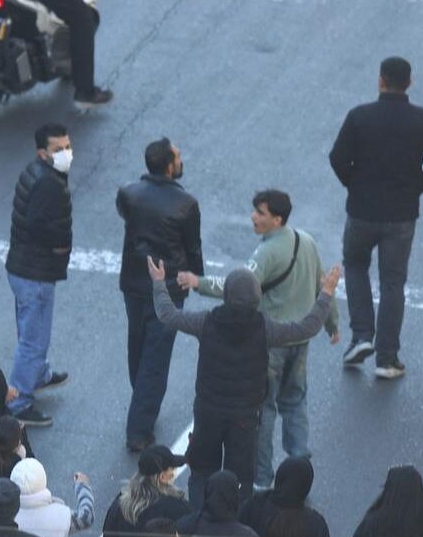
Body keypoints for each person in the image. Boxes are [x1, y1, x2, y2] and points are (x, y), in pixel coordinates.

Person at [180, 190, 340, 482]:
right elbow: (323, 285)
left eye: (261, 213)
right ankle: (299, 468)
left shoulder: (267, 253)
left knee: (264, 412)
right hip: (299, 341)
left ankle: (262, 478)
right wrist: (332, 322)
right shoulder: (306, 241)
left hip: (272, 344)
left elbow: (238, 285)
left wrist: (197, 282)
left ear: (277, 219)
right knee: (295, 403)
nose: (253, 217)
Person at [153, 265, 339, 503]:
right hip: (245, 419)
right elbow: (307, 327)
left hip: (208, 414)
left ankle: (198, 522)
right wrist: (326, 293)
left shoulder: (206, 322)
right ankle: (237, 525)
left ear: (227, 295)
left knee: (201, 473)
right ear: (257, 298)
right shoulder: (266, 329)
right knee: (241, 478)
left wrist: (159, 283)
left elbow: (167, 314)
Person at [329, 56, 423, 374]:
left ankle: (361, 336)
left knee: (355, 267)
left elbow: (338, 158)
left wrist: (354, 185)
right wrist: (416, 188)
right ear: (409, 82)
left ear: (380, 80)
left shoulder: (360, 116)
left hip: (362, 211)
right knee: (393, 282)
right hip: (401, 215)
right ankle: (387, 358)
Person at [118, 139, 203, 451]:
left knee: (138, 345)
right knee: (156, 356)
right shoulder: (186, 204)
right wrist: (197, 278)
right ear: (169, 166)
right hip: (167, 286)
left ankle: (141, 399)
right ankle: (139, 429)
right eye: (178, 156)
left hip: (133, 282)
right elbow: (192, 246)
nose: (181, 160)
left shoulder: (129, 193)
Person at [4, 124, 76, 427]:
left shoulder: (37, 172)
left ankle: (39, 374)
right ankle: (19, 401)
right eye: (58, 149)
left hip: (25, 267)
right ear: (42, 153)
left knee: (31, 333)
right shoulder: (48, 183)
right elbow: (40, 226)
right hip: (35, 272)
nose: (65, 153)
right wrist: (60, 245)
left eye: (67, 146)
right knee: (33, 340)